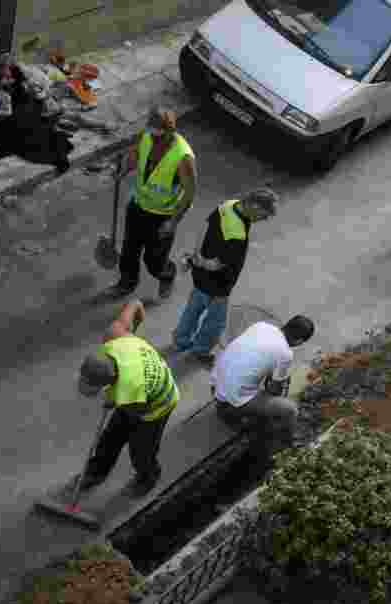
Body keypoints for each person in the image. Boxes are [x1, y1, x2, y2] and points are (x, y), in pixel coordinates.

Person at [76, 300, 179, 495]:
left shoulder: (130, 389)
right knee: (109, 438)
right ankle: (95, 472)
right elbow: (134, 304)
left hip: (157, 403)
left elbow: (136, 411)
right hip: (137, 387)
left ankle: (148, 477)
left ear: (110, 382)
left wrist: (112, 402)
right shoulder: (114, 334)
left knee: (140, 450)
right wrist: (134, 335)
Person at [173, 189, 279, 364]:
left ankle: (180, 340)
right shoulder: (237, 234)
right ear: (255, 206)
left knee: (193, 309)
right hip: (218, 285)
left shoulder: (229, 205)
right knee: (215, 323)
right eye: (264, 215)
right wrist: (203, 263)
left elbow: (205, 226)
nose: (264, 220)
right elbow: (217, 265)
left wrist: (196, 256)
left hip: (200, 276)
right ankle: (200, 350)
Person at [104, 107, 198, 300]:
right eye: (151, 134)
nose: (153, 140)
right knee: (129, 251)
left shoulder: (183, 157)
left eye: (158, 137)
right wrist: (123, 171)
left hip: (162, 216)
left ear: (170, 132)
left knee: (154, 261)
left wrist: (172, 223)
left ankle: (167, 275)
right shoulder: (147, 137)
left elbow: (189, 194)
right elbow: (136, 155)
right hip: (138, 206)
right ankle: (127, 283)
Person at [210, 315, 315, 455]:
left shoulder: (261, 326)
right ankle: (285, 442)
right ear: (300, 341)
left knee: (249, 383)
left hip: (215, 383)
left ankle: (229, 411)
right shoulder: (285, 353)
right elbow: (274, 390)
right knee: (290, 409)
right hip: (232, 399)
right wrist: (278, 384)